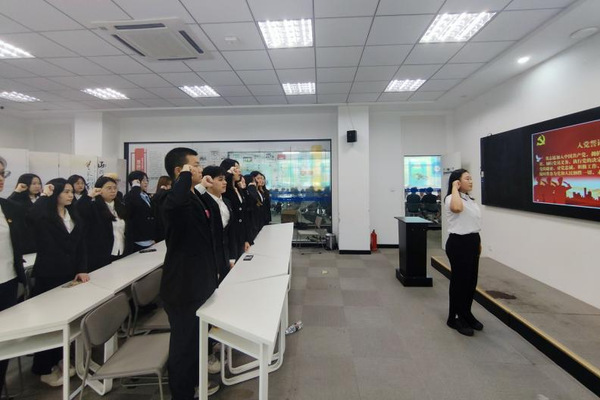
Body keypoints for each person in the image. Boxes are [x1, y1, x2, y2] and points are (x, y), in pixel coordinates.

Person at [159, 147, 220, 398]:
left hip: (199, 280)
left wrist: (202, 186)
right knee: (183, 345)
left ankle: (195, 383)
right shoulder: (169, 198)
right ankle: (182, 393)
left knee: (195, 339)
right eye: (194, 165)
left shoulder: (193, 196)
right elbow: (176, 204)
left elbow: (212, 218)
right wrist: (185, 176)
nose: (200, 168)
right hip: (183, 285)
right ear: (179, 170)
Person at [28, 178, 89, 386]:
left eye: (71, 191)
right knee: (49, 323)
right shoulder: (44, 215)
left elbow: (81, 245)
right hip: (49, 274)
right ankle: (44, 368)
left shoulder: (73, 215)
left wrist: (82, 269)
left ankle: (61, 359)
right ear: (56, 194)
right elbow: (30, 216)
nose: (70, 195)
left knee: (66, 320)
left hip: (70, 274)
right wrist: (44, 196)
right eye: (66, 192)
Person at [0, 156, 27, 395]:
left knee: (4, 341)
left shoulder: (8, 207)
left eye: (2, 173)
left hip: (7, 280)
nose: (0, 179)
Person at [445, 169, 483, 337]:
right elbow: (457, 208)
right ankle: (454, 317)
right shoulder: (451, 198)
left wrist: (478, 242)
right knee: (459, 282)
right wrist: (454, 188)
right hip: (458, 243)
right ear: (458, 182)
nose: (471, 181)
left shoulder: (470, 199)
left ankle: (466, 313)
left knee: (470, 282)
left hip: (472, 241)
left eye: (471, 178)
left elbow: (473, 222)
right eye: (467, 179)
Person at [77, 176, 128, 271]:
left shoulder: (121, 207)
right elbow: (78, 210)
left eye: (115, 188)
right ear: (99, 190)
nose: (113, 191)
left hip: (122, 251)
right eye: (109, 188)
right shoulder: (93, 207)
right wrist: (89, 196)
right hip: (101, 256)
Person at [201, 165, 234, 282]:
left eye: (224, 179)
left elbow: (229, 231)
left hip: (224, 255)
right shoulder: (202, 202)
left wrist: (231, 257)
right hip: (209, 258)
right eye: (220, 180)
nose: (225, 182)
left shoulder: (226, 202)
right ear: (209, 180)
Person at [219, 158, 251, 260]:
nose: (239, 171)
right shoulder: (225, 191)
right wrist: (228, 174)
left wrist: (247, 239)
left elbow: (245, 213)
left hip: (241, 235)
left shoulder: (238, 188)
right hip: (230, 236)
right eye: (236, 168)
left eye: (239, 168)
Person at [8, 173, 42, 254]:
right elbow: (8, 204)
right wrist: (17, 191)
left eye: (39, 183)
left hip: (41, 237)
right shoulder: (19, 201)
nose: (37, 186)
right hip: (27, 240)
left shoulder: (41, 199)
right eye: (34, 184)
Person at [124, 171, 155, 252]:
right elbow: (136, 205)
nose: (146, 182)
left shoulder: (146, 195)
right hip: (138, 239)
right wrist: (135, 188)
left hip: (150, 237)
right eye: (143, 180)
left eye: (147, 180)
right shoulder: (130, 196)